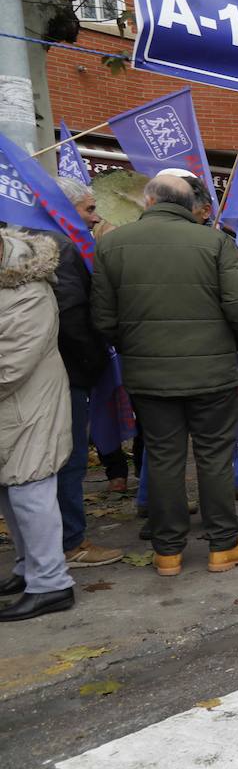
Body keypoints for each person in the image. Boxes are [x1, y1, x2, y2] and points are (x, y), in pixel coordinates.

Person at [90, 174, 238, 577]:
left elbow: (103, 319)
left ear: (148, 201)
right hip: (212, 372)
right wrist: (227, 344)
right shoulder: (215, 243)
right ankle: (223, 545)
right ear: (190, 205)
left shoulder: (111, 245)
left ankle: (167, 551)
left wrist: (137, 346)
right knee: (214, 455)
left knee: (163, 456)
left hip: (147, 374)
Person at [0, 227, 77, 620]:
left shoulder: (25, 288)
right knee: (10, 491)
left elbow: (11, 363)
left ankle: (51, 583)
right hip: (11, 410)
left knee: (30, 491)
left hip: (30, 407)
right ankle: (28, 567)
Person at [51, 177, 123, 567]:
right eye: (89, 209)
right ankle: (70, 542)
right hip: (66, 374)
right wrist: (94, 363)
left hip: (55, 371)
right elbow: (71, 315)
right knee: (69, 457)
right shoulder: (62, 249)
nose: (96, 218)